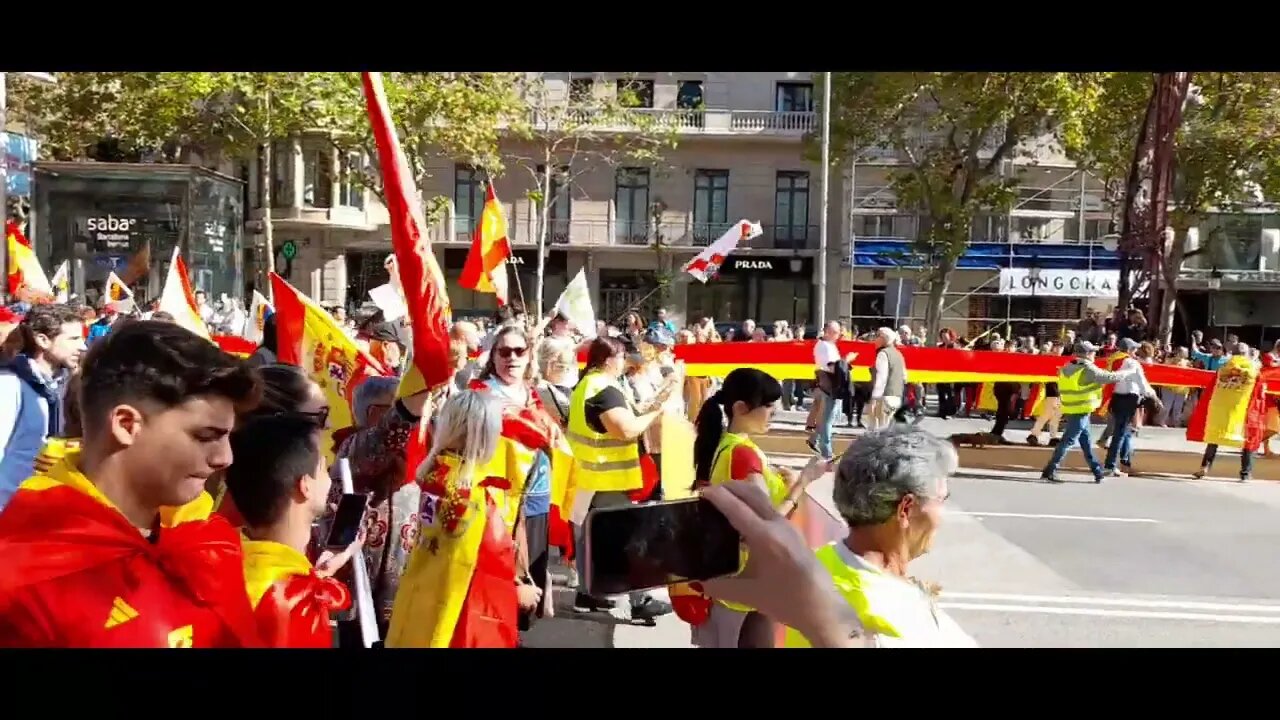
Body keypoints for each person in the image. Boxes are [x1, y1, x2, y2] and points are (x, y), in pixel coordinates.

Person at [0, 320, 263, 647]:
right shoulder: (24, 578)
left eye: (227, 437)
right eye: (205, 436)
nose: (225, 458)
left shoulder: (200, 541)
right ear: (126, 425)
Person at [781, 425, 973, 647]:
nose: (942, 515)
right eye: (941, 499)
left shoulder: (822, 563)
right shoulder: (888, 619)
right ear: (906, 509)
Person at [386, 390, 522, 647]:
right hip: (456, 615)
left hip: (417, 598)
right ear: (487, 435)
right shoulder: (470, 493)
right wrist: (519, 589)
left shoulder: (434, 473)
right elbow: (492, 563)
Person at [686, 368, 798, 648]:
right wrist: (801, 485)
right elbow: (762, 526)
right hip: (745, 576)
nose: (775, 412)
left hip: (732, 575)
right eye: (769, 405)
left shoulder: (726, 444)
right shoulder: (742, 453)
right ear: (740, 408)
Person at [225, 414, 356, 648]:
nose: (328, 477)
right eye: (323, 467)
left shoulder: (226, 563)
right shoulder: (289, 602)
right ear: (304, 485)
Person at [567, 336, 672, 621]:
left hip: (589, 476)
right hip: (607, 479)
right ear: (611, 358)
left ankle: (589, 594)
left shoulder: (586, 385)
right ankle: (640, 600)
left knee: (592, 538)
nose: (625, 362)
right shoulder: (604, 388)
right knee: (630, 539)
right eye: (623, 357)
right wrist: (654, 412)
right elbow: (625, 430)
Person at [0, 303, 86, 511]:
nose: (83, 346)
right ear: (43, 340)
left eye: (82, 338)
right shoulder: (10, 385)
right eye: (73, 339)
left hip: (45, 508)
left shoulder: (67, 385)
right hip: (9, 513)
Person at [1039, 341, 1135, 484]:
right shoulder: (1087, 369)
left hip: (1072, 408)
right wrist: (1129, 371)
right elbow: (1109, 378)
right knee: (1068, 441)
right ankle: (1050, 470)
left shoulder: (1068, 367)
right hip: (1081, 410)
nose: (1095, 354)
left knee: (1086, 443)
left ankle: (1097, 472)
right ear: (1087, 354)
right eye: (1093, 352)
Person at [1190, 342, 1266, 482]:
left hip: (1219, 410)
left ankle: (1204, 467)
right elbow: (1260, 392)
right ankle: (1245, 473)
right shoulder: (1253, 370)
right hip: (1241, 412)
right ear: (1247, 354)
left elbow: (1211, 390)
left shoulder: (1223, 369)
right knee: (1249, 439)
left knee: (1214, 438)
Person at [1103, 338, 1160, 477]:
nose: (1136, 352)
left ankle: (1122, 461)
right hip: (1128, 400)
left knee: (1122, 432)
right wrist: (1155, 397)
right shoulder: (1131, 363)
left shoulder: (1113, 360)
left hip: (1116, 399)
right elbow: (1142, 383)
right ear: (1129, 350)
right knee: (1120, 434)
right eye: (1134, 349)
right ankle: (1111, 465)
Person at [867, 327, 906, 431]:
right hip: (896, 397)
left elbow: (881, 378)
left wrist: (874, 399)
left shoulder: (883, 354)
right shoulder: (899, 354)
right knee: (889, 429)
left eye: (877, 336)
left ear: (884, 338)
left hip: (884, 398)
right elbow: (905, 377)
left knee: (880, 430)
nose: (875, 339)